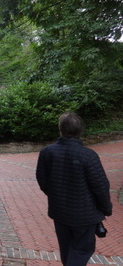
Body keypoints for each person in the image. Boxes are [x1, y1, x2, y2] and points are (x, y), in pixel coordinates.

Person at [36, 112, 112, 266]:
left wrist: (55, 195)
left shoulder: (47, 152)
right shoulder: (88, 155)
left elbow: (42, 180)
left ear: (60, 129)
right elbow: (101, 186)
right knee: (81, 250)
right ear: (80, 131)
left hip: (60, 213)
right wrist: (106, 209)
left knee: (67, 250)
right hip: (84, 215)